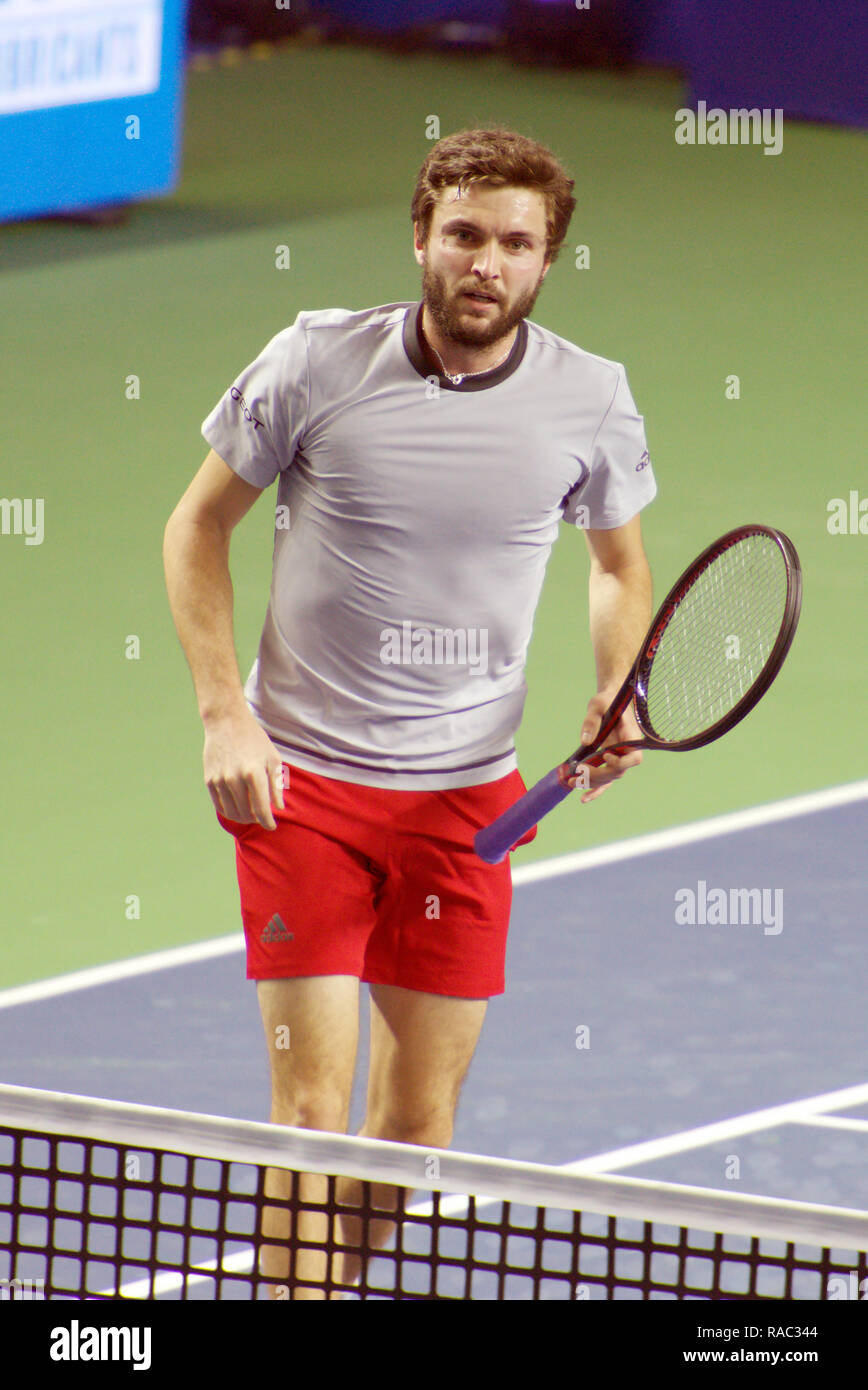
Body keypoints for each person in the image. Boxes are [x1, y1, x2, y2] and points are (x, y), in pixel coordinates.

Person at [162, 126, 656, 1299]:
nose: (487, 262)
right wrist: (224, 713)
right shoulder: (313, 363)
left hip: (466, 800)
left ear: (546, 263)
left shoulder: (591, 398)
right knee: (307, 1117)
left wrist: (616, 685)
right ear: (422, 238)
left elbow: (618, 568)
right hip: (306, 793)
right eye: (465, 235)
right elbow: (196, 527)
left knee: (417, 1126)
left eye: (516, 244)